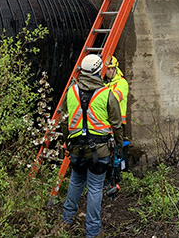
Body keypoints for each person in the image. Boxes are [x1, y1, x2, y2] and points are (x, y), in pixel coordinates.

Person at [57, 54, 123, 238]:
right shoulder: (107, 94)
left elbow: (64, 120)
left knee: (76, 181)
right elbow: (117, 125)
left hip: (77, 149)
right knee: (94, 188)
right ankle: (93, 232)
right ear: (97, 71)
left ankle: (66, 220)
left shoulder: (71, 91)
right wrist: (118, 146)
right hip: (99, 151)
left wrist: (67, 142)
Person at [104, 56, 129, 126]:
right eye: (108, 69)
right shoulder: (102, 83)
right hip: (105, 122)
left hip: (118, 123)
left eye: (113, 68)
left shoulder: (122, 82)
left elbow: (115, 98)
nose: (111, 71)